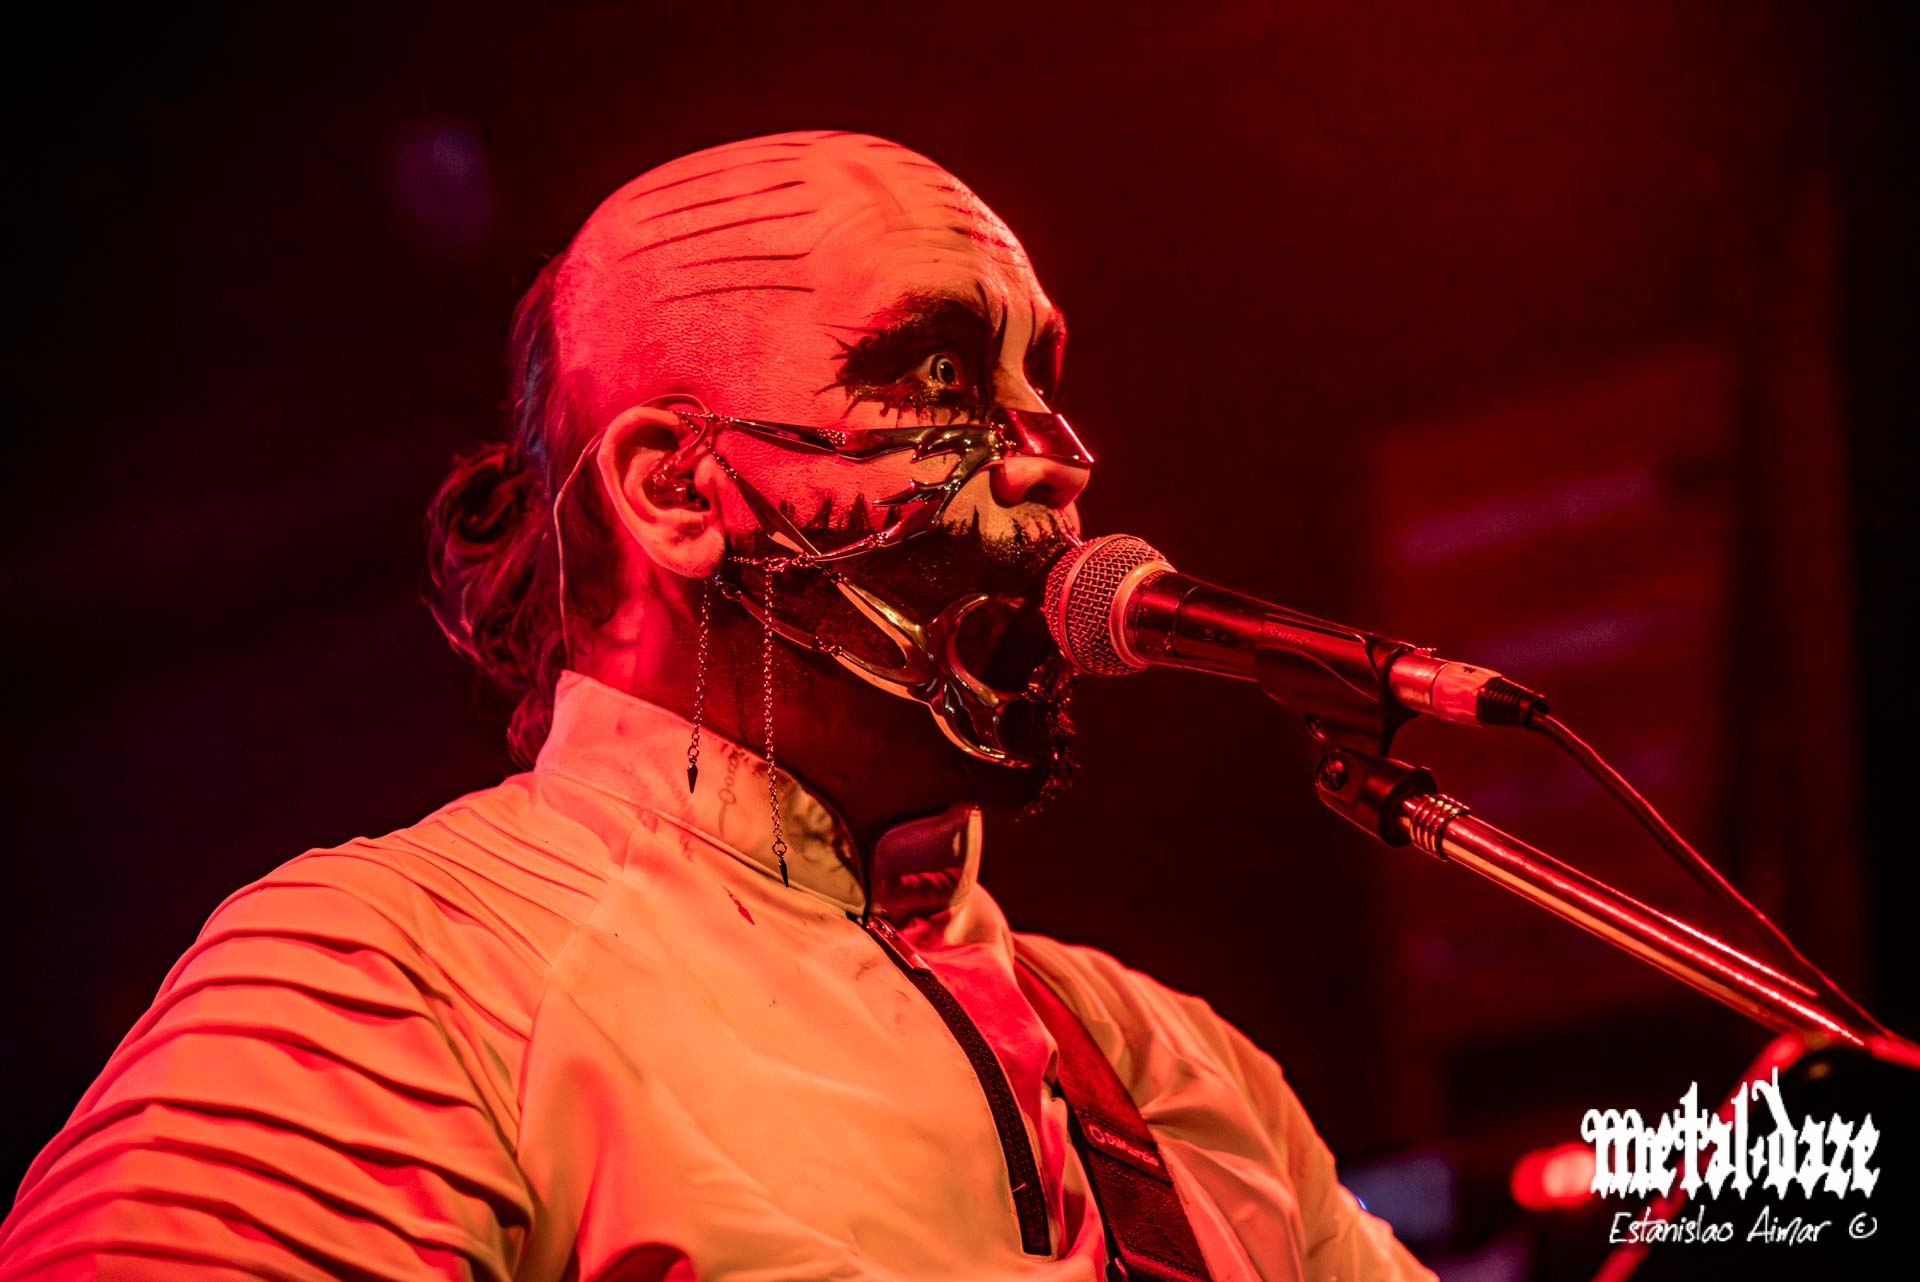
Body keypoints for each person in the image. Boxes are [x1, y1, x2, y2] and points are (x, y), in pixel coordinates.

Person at [0, 130, 1432, 1281]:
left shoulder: (1183, 1069)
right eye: (943, 375)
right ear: (676, 489)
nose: (1059, 456)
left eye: (1034, 380)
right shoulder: (403, 972)